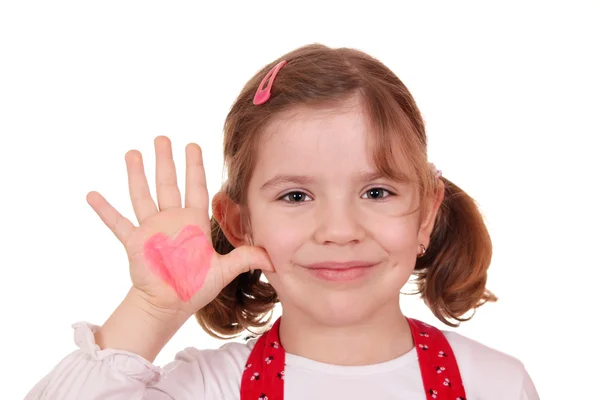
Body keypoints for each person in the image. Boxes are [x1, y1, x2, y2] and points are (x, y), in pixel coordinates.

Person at [26, 43, 539, 400]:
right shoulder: (205, 389)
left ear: (426, 213)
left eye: (377, 191)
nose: (339, 229)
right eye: (296, 195)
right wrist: (151, 309)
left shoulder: (495, 385)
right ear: (238, 224)